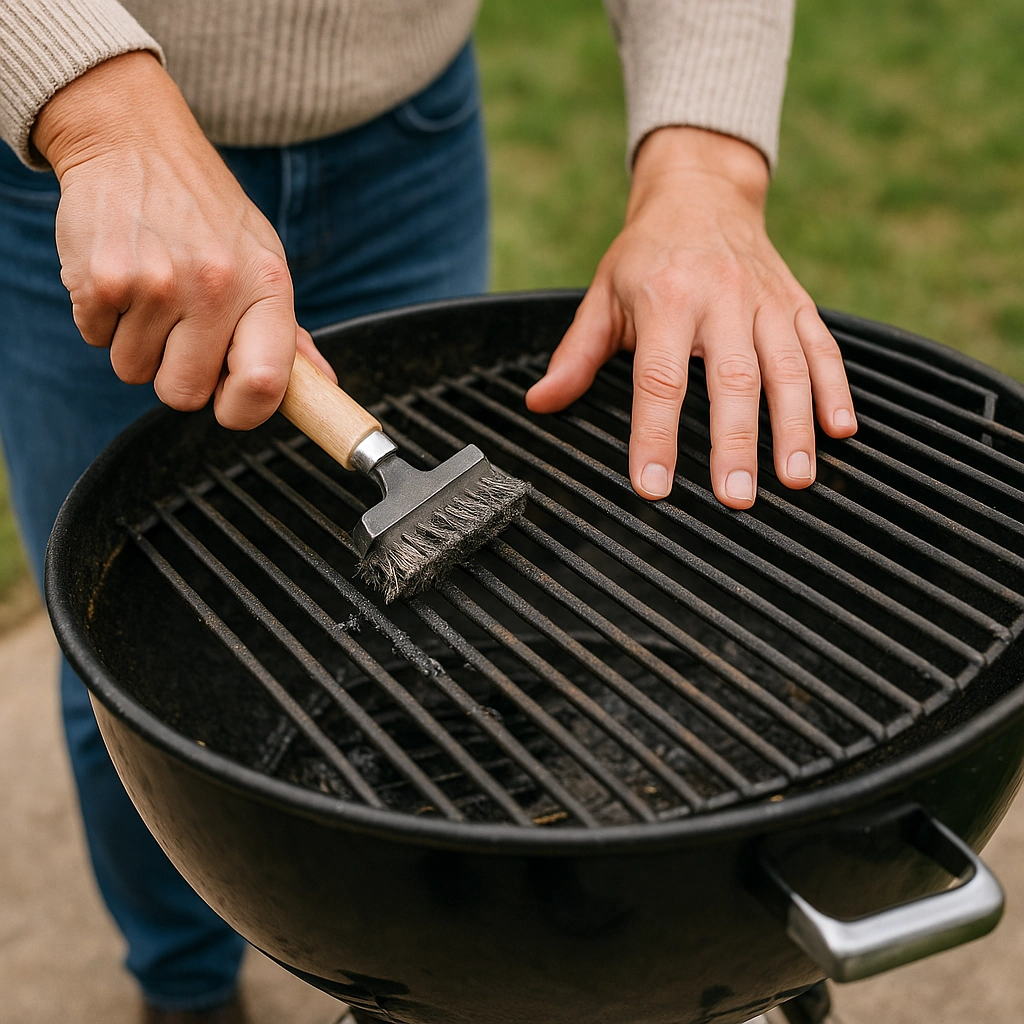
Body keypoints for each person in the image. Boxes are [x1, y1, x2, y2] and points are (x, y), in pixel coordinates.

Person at [0, 1, 856, 1021]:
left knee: (432, 644)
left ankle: (444, 935)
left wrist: (709, 169)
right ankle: (182, 986)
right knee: (124, 658)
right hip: (75, 173)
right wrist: (99, 110)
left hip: (405, 136)